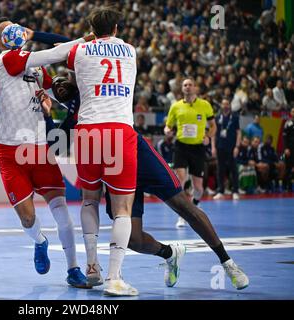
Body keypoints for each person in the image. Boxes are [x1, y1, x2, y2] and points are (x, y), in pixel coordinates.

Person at [38, 70, 249, 291]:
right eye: (58, 88)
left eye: (64, 83)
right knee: (133, 239)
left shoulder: (90, 89)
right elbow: (57, 146)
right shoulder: (73, 117)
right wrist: (46, 115)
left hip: (137, 155)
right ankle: (170, 253)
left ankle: (227, 262)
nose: (61, 88)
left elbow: (78, 54)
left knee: (184, 207)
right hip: (115, 165)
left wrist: (40, 49)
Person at [0, 17, 93, 288]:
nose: (17, 31)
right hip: (10, 151)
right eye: (7, 30)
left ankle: (73, 269)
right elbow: (55, 51)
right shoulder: (5, 61)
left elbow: (55, 93)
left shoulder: (35, 67)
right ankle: (40, 241)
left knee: (61, 210)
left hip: (39, 150)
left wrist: (76, 98)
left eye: (17, 27)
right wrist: (84, 40)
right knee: (27, 216)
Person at [63, 8, 142, 296]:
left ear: (91, 29)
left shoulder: (80, 51)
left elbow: (66, 58)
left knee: (89, 200)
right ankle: (114, 278)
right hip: (119, 130)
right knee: (122, 209)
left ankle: (92, 268)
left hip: (88, 131)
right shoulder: (131, 51)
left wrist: (87, 39)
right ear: (118, 27)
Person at [164, 78, 217, 228]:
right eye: (185, 85)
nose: (187, 87)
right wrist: (167, 131)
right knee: (180, 179)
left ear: (195, 88)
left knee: (198, 187)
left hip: (198, 148)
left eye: (190, 85)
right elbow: (168, 126)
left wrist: (208, 137)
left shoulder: (204, 105)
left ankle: (194, 205)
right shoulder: (176, 106)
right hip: (181, 146)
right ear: (182, 89)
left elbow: (213, 126)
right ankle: (182, 214)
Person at [212, 99, 241, 200]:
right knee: (220, 170)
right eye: (223, 104)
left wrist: (237, 146)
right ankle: (220, 191)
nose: (225, 105)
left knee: (233, 169)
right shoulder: (217, 117)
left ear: (230, 105)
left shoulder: (235, 117)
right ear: (221, 105)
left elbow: (238, 132)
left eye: (227, 104)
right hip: (220, 147)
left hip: (232, 147)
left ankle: (235, 191)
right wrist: (213, 147)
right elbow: (214, 133)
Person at [282, 107, 294, 191]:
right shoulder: (288, 123)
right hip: (289, 149)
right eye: (293, 111)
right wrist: (286, 148)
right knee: (288, 168)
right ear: (291, 113)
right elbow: (284, 137)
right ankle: (286, 186)